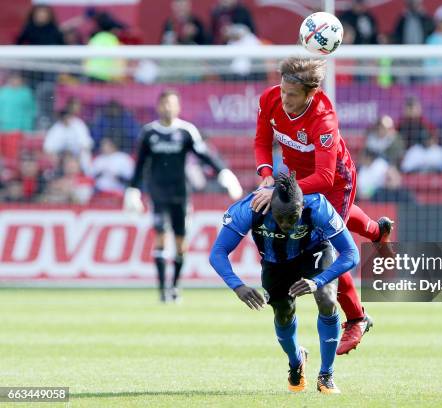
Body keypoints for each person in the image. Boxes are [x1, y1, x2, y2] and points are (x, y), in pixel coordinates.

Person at [251, 57, 393, 355]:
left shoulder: (323, 118)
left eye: (292, 95)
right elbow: (262, 142)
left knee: (324, 244)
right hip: (296, 177)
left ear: (310, 94)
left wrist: (280, 190)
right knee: (333, 226)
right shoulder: (270, 98)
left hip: (335, 182)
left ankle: (357, 317)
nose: (284, 98)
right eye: (283, 91)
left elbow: (326, 177)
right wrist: (266, 177)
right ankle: (376, 230)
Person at [210, 173, 358, 394]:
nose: (287, 224)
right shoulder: (249, 208)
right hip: (275, 261)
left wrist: (318, 281)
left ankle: (326, 375)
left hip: (313, 252)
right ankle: (296, 361)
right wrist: (238, 286)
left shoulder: (318, 207)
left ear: (302, 204)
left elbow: (351, 254)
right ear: (270, 206)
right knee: (283, 312)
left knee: (327, 299)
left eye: (293, 217)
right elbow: (218, 252)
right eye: (280, 218)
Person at [124, 90, 243, 303]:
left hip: (180, 194)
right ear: (158, 106)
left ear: (178, 107)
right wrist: (133, 189)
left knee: (180, 242)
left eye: (171, 104)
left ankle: (175, 286)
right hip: (157, 193)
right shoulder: (149, 133)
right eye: (164, 104)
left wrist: (223, 172)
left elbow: (204, 154)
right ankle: (162, 290)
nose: (167, 108)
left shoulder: (186, 131)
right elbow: (140, 164)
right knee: (160, 237)